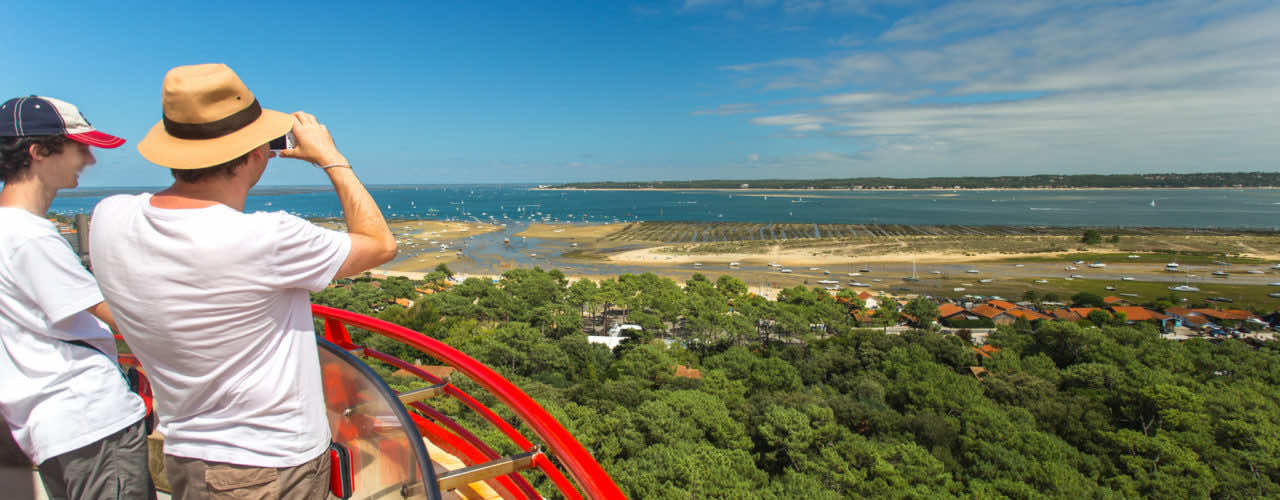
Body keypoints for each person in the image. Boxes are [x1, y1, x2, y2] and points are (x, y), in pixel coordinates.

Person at [89, 64, 396, 498]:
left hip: (187, 456)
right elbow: (380, 244)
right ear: (256, 153)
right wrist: (331, 157)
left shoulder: (109, 217)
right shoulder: (266, 238)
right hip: (270, 467)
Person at [0, 96, 154, 499]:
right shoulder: (29, 237)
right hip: (88, 420)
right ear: (38, 153)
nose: (88, 160)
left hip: (46, 425)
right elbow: (119, 316)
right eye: (79, 147)